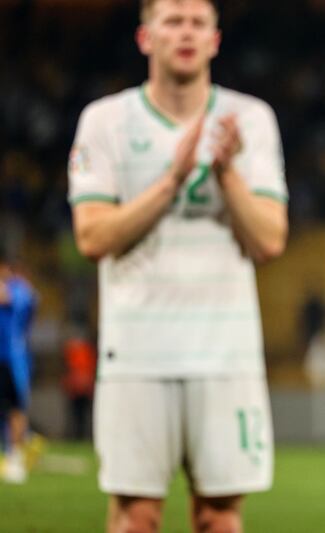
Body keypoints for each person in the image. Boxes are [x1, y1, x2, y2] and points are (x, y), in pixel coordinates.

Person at [67, 1, 288, 531]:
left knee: (219, 519)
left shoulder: (250, 119)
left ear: (215, 40)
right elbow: (92, 236)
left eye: (197, 22)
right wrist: (171, 180)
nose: (185, 32)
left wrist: (226, 173)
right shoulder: (106, 120)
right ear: (146, 37)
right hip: (137, 354)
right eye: (172, 20)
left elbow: (270, 239)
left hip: (226, 353)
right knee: (135, 517)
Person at [0, 248, 37, 484]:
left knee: (15, 408)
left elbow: (9, 299)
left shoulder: (21, 291)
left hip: (12, 359)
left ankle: (16, 457)